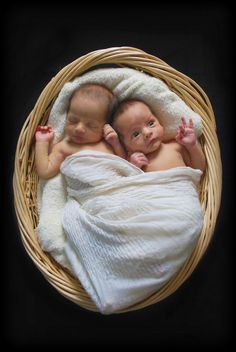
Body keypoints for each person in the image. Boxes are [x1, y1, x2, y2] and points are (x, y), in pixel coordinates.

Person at [35, 83, 119, 179]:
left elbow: (124, 162)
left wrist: (116, 143)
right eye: (73, 120)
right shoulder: (64, 147)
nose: (79, 128)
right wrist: (42, 142)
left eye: (91, 125)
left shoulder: (109, 143)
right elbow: (45, 172)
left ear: (106, 126)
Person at [104, 99, 206, 172]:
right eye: (135, 134)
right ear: (127, 147)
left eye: (151, 123)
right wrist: (132, 168)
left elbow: (199, 169)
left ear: (160, 122)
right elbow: (125, 183)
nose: (147, 133)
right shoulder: (134, 161)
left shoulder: (175, 146)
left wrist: (192, 146)